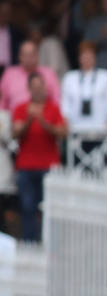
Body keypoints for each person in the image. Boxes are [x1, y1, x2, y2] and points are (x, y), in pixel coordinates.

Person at [11, 71, 65, 242]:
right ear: (28, 89)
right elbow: (15, 133)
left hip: (49, 166)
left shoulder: (53, 108)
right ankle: (29, 243)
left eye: (40, 86)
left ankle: (49, 243)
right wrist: (29, 118)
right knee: (28, 207)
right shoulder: (21, 108)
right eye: (33, 87)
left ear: (44, 87)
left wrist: (43, 121)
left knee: (49, 208)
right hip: (26, 166)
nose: (37, 90)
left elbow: (62, 132)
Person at [60, 41, 107, 141]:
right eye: (84, 55)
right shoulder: (70, 78)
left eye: (90, 55)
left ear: (95, 57)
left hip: (100, 130)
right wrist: (65, 120)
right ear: (79, 57)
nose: (86, 58)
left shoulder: (105, 76)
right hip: (76, 130)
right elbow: (65, 102)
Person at [0, 39, 58, 112]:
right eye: (25, 55)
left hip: (44, 119)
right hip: (15, 119)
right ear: (19, 56)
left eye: (31, 54)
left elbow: (56, 100)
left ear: (37, 55)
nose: (29, 58)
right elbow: (2, 102)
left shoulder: (49, 73)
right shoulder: (9, 74)